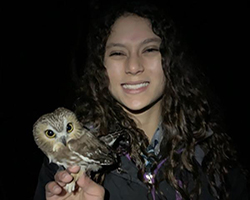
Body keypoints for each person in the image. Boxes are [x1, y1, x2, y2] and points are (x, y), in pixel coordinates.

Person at [34, 1, 248, 200]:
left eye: (150, 49)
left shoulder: (212, 151)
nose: (134, 66)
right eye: (118, 53)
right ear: (101, 67)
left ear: (170, 61)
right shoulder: (64, 160)